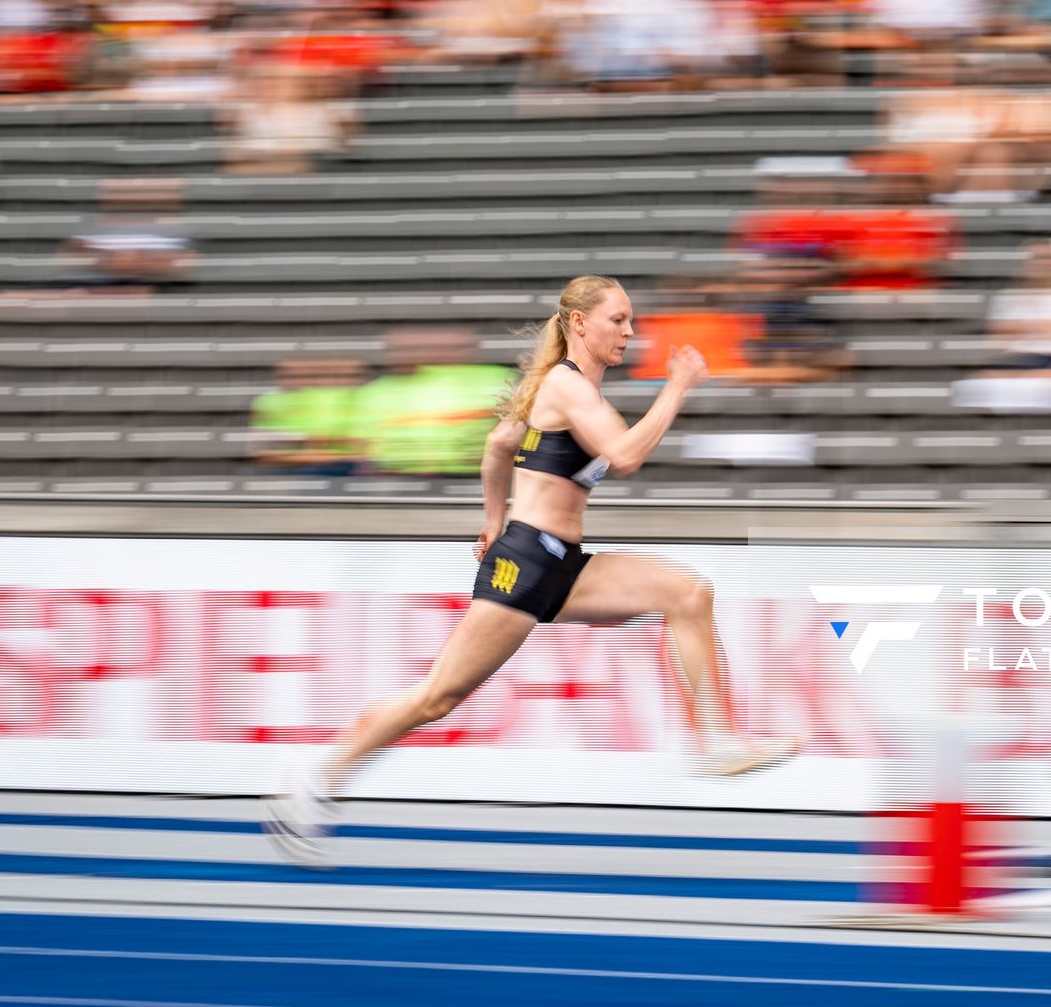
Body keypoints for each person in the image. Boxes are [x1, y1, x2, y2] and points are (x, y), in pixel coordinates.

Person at [265, 275, 798, 864]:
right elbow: (624, 456)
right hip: (524, 565)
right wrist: (675, 388)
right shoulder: (568, 389)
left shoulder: (561, 390)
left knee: (689, 595)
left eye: (630, 320)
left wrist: (491, 519)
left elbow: (497, 446)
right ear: (579, 324)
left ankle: (717, 741)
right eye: (618, 319)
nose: (629, 330)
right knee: (438, 697)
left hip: (561, 564)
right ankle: (315, 780)